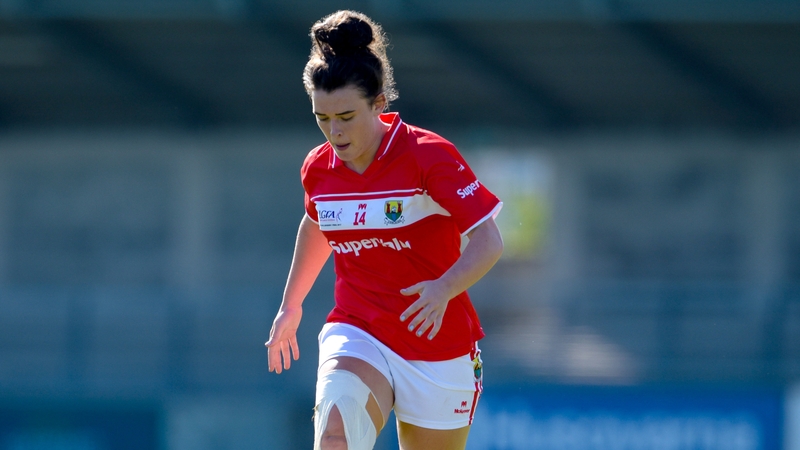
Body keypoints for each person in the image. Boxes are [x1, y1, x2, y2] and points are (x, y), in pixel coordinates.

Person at [265, 10, 503, 450]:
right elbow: (318, 224)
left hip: (436, 344)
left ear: (378, 104)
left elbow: (489, 240)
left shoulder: (429, 156)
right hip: (358, 328)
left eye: (346, 116)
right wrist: (290, 306)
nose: (334, 132)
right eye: (322, 118)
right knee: (336, 437)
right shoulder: (319, 168)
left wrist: (443, 288)